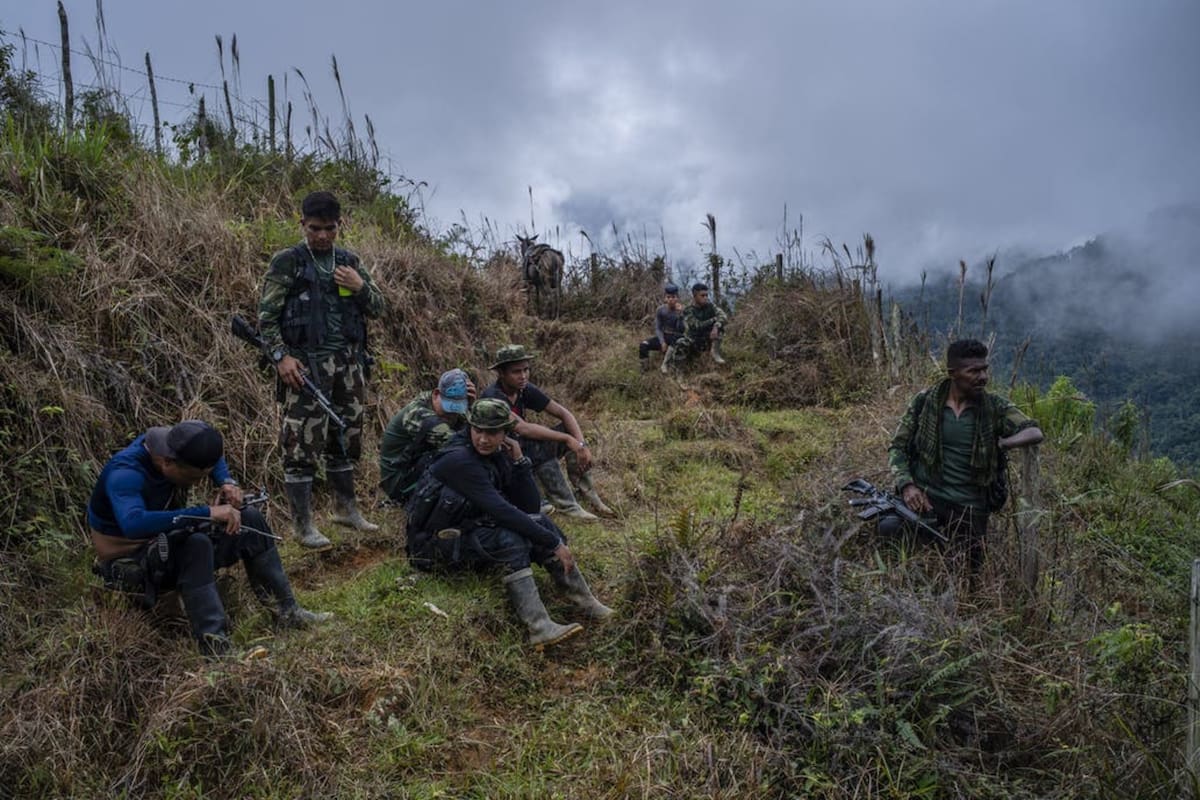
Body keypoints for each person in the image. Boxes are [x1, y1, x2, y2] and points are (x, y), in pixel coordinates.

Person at [87, 421, 331, 656]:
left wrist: (226, 482)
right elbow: (134, 524)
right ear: (168, 463)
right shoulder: (125, 473)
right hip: (130, 559)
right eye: (193, 478)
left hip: (167, 539)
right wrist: (207, 513)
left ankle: (287, 613)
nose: (198, 483)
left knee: (251, 519)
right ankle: (217, 649)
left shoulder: (176, 441)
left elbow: (212, 458)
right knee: (196, 545)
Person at [404, 399, 612, 648]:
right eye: (477, 430)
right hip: (431, 548)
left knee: (541, 522)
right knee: (510, 538)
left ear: (506, 432)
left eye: (492, 432)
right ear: (469, 427)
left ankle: (584, 600)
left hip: (469, 530)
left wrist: (519, 461)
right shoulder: (460, 459)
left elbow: (529, 507)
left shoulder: (498, 453)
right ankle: (539, 627)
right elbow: (502, 511)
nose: (483, 439)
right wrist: (554, 543)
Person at [258, 190, 386, 549]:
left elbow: (379, 307)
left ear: (339, 226)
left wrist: (360, 288)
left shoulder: (349, 261)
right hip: (306, 366)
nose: (322, 236)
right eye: (315, 228)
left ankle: (346, 509)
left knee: (344, 438)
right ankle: (303, 526)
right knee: (300, 444)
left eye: (329, 228)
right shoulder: (289, 262)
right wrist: (281, 357)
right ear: (302, 224)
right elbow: (266, 318)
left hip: (349, 363)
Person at [884, 339, 1044, 572]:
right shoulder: (926, 402)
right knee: (889, 528)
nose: (983, 377)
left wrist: (1004, 443)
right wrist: (907, 485)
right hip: (927, 499)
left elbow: (1034, 431)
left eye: (984, 369)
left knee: (967, 571)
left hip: (970, 508)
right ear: (953, 374)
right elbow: (897, 446)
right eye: (974, 371)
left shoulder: (993, 407)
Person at [481, 344, 614, 520]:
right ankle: (567, 504)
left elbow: (564, 413)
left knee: (568, 432)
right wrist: (567, 439)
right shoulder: (494, 396)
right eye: (516, 371)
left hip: (522, 449)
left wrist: (581, 445)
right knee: (539, 444)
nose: (523, 376)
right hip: (502, 456)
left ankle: (586, 491)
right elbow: (523, 428)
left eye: (526, 370)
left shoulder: (524, 389)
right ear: (502, 373)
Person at [379, 368, 475, 505]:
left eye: (458, 408)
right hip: (399, 481)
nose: (452, 414)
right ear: (436, 394)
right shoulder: (419, 414)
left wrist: (472, 407)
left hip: (416, 470)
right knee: (454, 458)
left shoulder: (442, 402)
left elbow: (475, 436)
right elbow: (459, 447)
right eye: (449, 407)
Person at [664, 282, 728, 372]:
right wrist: (713, 320)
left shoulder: (710, 305)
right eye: (702, 295)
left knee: (720, 327)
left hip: (708, 338)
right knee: (681, 342)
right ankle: (679, 371)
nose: (705, 297)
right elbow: (697, 325)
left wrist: (716, 326)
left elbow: (723, 316)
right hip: (694, 340)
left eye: (706, 295)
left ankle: (715, 353)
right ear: (695, 296)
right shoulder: (688, 310)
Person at [638, 283, 685, 371]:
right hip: (664, 336)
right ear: (665, 298)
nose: (671, 300)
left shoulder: (681, 310)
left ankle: (674, 368)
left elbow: (681, 330)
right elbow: (658, 327)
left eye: (673, 297)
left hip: (676, 338)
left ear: (677, 298)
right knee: (643, 345)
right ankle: (644, 369)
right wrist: (662, 342)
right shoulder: (661, 310)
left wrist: (680, 315)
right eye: (668, 297)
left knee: (680, 344)